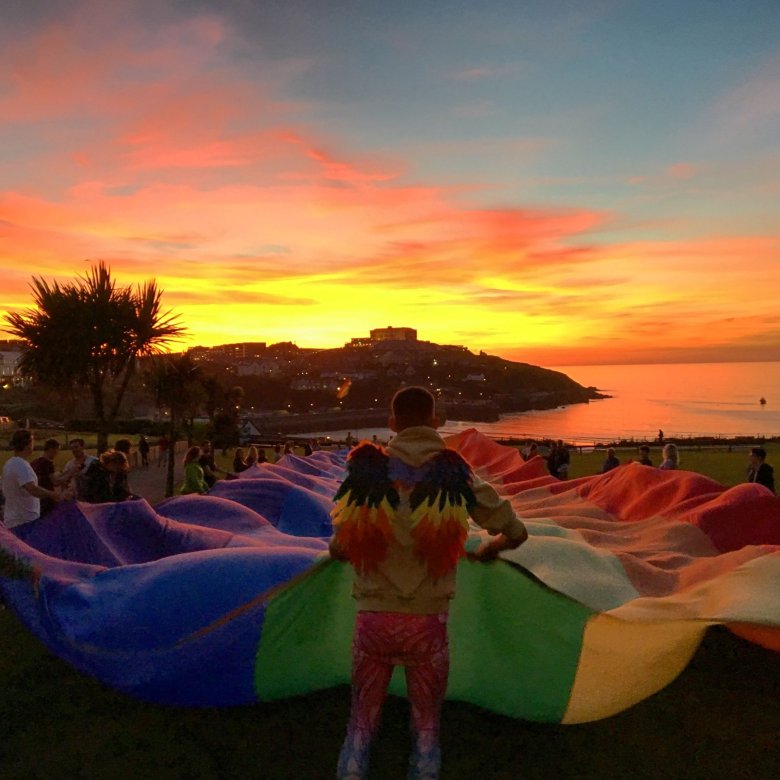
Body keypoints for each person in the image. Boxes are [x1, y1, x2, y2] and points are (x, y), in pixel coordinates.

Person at [329, 386, 529, 780]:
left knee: (360, 725)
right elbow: (516, 531)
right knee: (426, 730)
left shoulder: (368, 472)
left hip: (373, 620)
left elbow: (340, 545)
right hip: (427, 625)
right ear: (436, 421)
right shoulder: (454, 474)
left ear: (392, 423)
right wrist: (492, 548)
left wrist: (350, 551)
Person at [1, 429, 59, 529]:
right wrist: (53, 494)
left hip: (15, 518)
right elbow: (33, 489)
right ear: (28, 444)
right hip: (23, 521)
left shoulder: (9, 464)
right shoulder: (21, 465)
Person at [30, 437, 63, 516]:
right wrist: (71, 472)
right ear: (52, 449)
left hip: (36, 497)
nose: (57, 453)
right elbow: (55, 482)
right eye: (57, 450)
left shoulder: (35, 462)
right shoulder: (47, 463)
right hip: (47, 498)